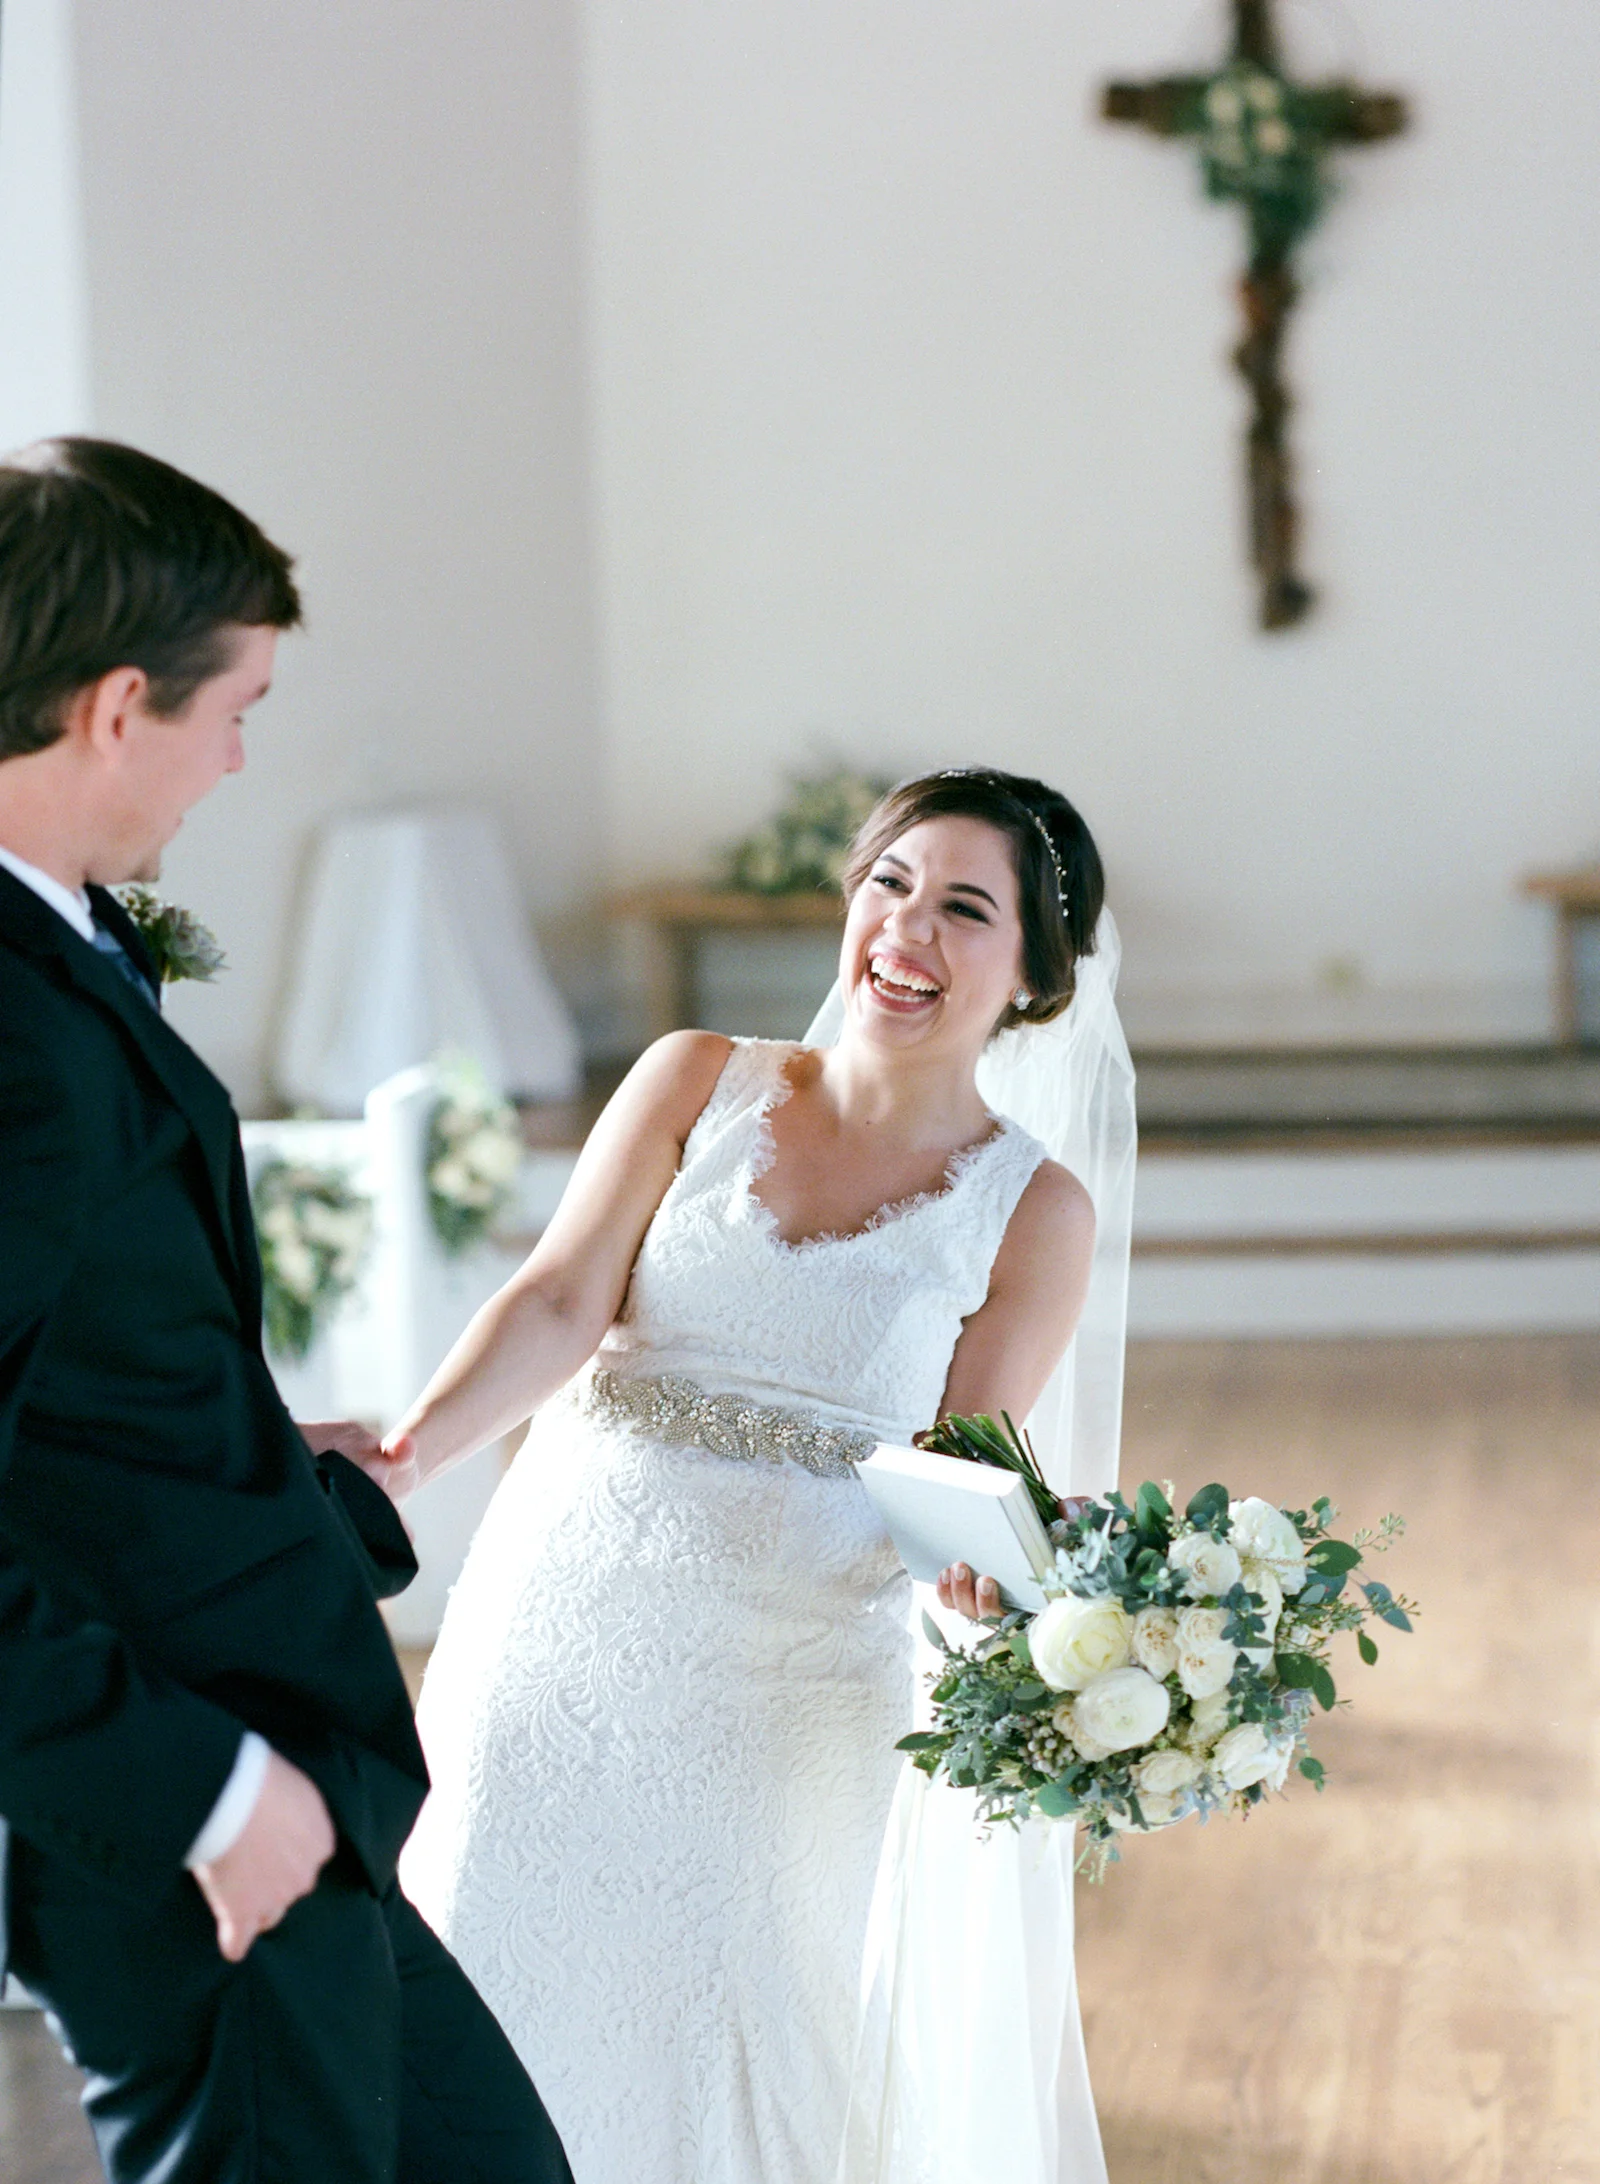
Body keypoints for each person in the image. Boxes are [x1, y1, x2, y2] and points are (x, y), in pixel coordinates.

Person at [385, 766, 1122, 2184]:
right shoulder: (690, 1076)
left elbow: (965, 1460)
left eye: (966, 907)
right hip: (564, 1614)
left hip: (792, 1674)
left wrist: (1011, 1564)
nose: (905, 931)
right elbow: (555, 1303)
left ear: (1034, 977)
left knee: (744, 2026)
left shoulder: (1036, 1208)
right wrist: (408, 1456)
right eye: (890, 884)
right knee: (490, 1953)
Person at [0, 438, 572, 2184]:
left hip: (274, 1763)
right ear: (116, 708)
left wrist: (283, 1465)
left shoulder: (62, 935)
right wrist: (211, 1798)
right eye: (232, 708)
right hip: (187, 1810)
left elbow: (76, 1404)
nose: (241, 756)